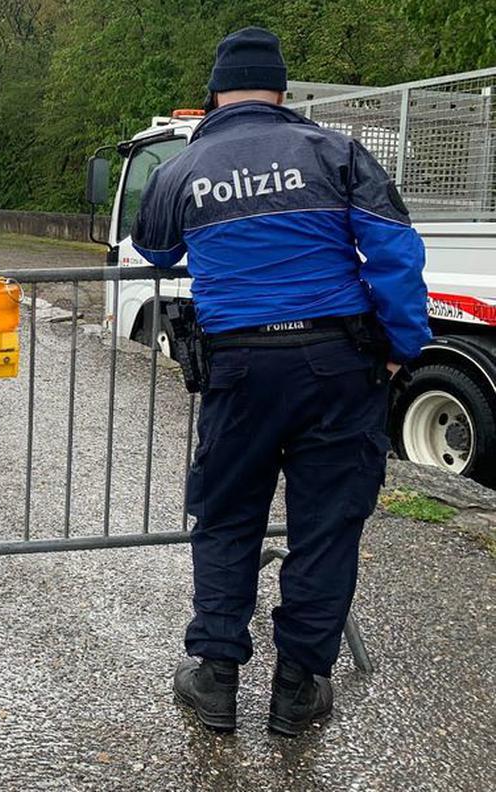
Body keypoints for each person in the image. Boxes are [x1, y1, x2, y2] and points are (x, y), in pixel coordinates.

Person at [131, 26, 430, 736]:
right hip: (339, 362)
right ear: (283, 91)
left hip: (239, 367)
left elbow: (154, 246)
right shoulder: (333, 151)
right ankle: (298, 690)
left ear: (214, 92)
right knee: (327, 527)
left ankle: (215, 679)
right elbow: (394, 249)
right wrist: (400, 347)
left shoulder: (183, 167)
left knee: (228, 516)